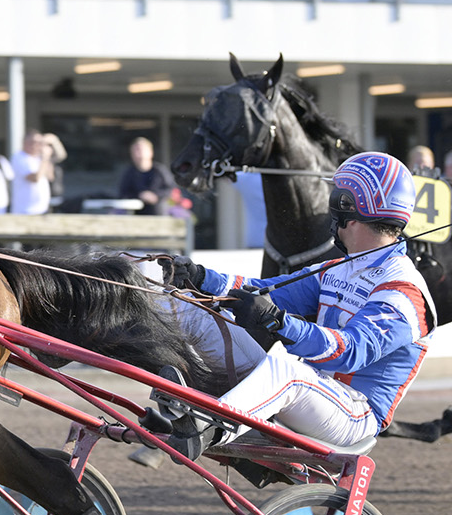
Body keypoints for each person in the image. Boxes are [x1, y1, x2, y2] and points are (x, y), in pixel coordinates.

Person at [159, 152, 435, 458]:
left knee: (285, 367)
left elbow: (350, 352)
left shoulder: (404, 289)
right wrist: (201, 277)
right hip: (311, 390)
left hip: (356, 415)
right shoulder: (339, 267)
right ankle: (170, 393)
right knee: (196, 314)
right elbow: (265, 291)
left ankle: (208, 426)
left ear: (347, 207)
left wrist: (279, 322)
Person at [117, 136, 175, 215]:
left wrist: (156, 196)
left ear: (150, 152)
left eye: (140, 149)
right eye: (134, 151)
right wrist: (140, 196)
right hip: (136, 217)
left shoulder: (160, 171)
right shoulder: (129, 173)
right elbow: (123, 194)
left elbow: (170, 190)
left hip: (160, 214)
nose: (137, 153)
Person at [9, 130, 56, 215]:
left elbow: (50, 176)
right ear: (24, 142)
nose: (36, 145)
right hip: (25, 211)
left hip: (42, 210)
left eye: (39, 142)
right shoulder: (19, 157)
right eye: (33, 142)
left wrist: (55, 142)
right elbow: (35, 178)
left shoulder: (39, 158)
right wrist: (45, 158)